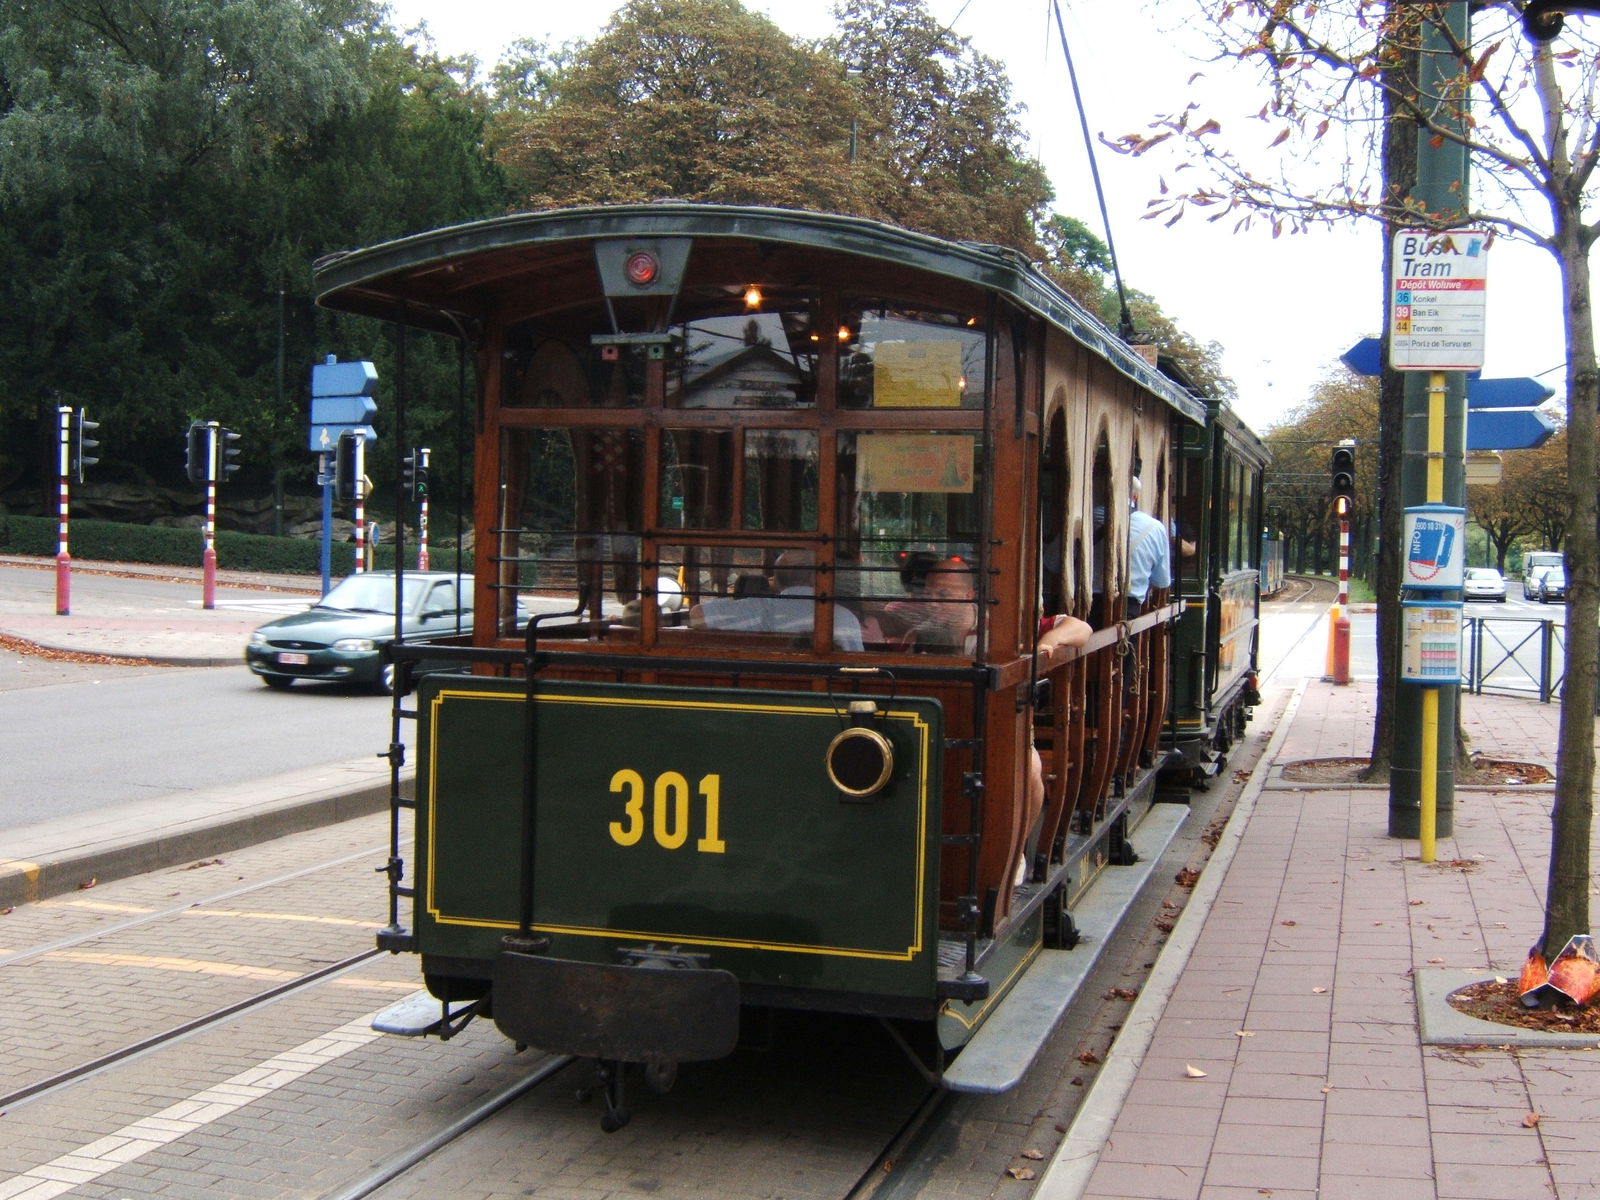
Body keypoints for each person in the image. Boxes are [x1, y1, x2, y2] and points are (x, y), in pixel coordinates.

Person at [691, 549, 864, 651]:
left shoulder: (758, 610)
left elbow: (697, 615)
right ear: (814, 578)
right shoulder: (843, 617)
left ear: (776, 581)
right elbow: (856, 665)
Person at [1125, 478, 1172, 619]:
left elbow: (1055, 563)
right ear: (1135, 496)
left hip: (1081, 612)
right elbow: (1161, 581)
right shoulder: (1154, 527)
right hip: (1128, 608)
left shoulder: (1086, 518)